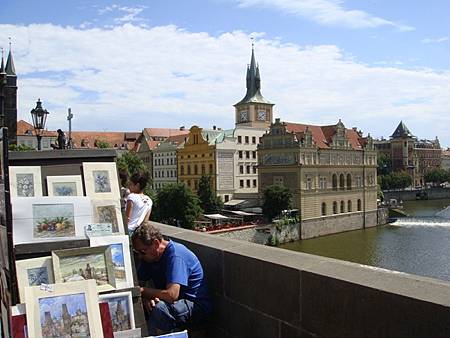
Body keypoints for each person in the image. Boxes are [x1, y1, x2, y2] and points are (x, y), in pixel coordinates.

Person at [131, 223, 212, 335]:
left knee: (159, 309)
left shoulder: (175, 256)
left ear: (156, 243)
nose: (140, 256)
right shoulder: (149, 257)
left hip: (195, 305)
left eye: (142, 252)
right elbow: (139, 283)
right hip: (173, 303)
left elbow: (171, 295)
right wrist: (146, 299)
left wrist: (143, 291)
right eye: (137, 252)